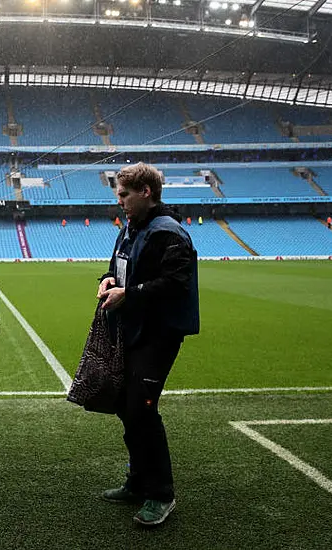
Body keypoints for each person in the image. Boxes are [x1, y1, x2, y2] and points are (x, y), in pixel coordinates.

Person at [95, 162, 200, 527]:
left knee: (141, 410)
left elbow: (176, 283)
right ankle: (139, 482)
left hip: (158, 334)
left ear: (146, 192)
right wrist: (108, 280)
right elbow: (119, 268)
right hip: (133, 328)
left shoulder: (168, 233)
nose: (119, 201)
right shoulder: (132, 228)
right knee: (126, 407)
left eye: (124, 194)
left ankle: (161, 494)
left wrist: (130, 294)